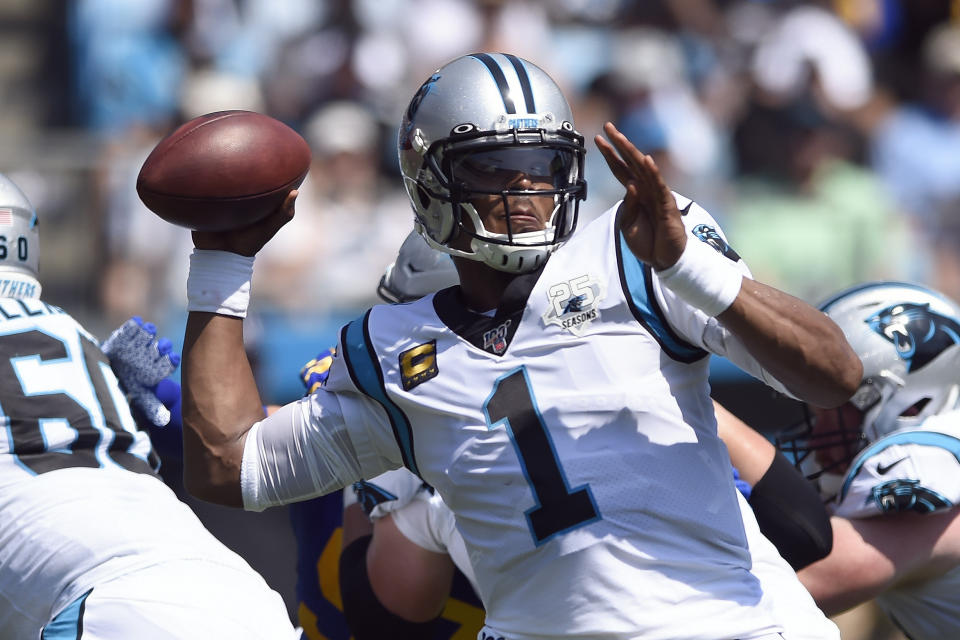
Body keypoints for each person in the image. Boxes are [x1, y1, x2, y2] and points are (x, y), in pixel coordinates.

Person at [178, 53, 862, 639]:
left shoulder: (636, 247)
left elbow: (835, 374)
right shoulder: (387, 348)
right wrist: (220, 263)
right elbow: (230, 469)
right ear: (430, 180)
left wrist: (692, 269)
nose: (526, 190)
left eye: (540, 167)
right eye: (494, 170)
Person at [0, 173, 299, 639]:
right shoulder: (80, 340)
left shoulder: (93, 347)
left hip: (106, 608)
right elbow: (225, 443)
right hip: (238, 594)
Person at [771, 281, 960, 639]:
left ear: (911, 404)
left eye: (833, 410)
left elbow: (789, 588)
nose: (816, 436)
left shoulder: (926, 469)